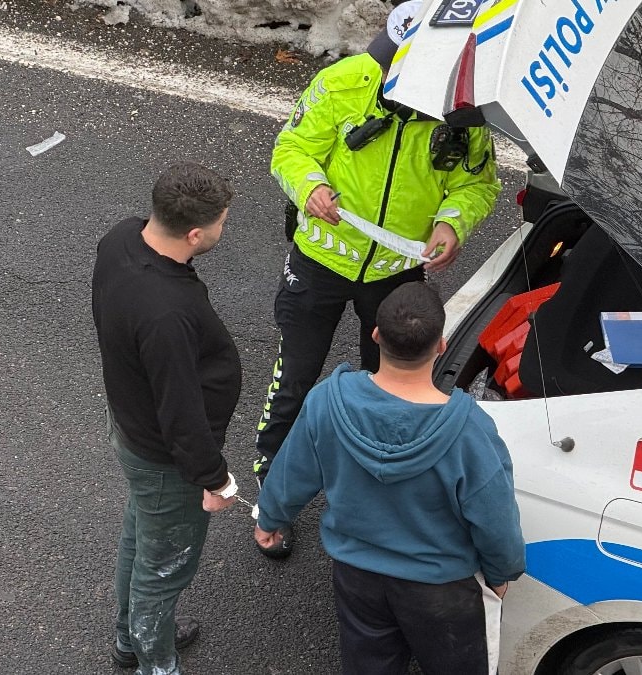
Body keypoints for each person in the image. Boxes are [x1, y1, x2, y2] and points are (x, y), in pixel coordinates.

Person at [253, 0, 502, 558]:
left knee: (392, 387)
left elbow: (478, 186)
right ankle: (271, 491)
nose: (388, 77)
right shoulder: (343, 81)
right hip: (320, 260)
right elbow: (291, 148)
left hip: (394, 273)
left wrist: (451, 223)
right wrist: (310, 184)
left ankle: (373, 489)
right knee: (294, 378)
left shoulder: (462, 112)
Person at [254, 282, 526, 675]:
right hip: (442, 588)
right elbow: (494, 517)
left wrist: (270, 519)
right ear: (441, 346)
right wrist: (503, 573)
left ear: (376, 335)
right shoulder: (470, 430)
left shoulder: (327, 401)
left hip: (358, 577)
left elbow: (292, 472)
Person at [92, 162, 243, 674]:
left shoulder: (121, 239)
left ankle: (129, 637)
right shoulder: (168, 312)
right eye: (223, 221)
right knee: (163, 569)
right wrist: (214, 478)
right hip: (165, 459)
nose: (225, 228)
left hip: (133, 430)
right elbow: (180, 412)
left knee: (141, 537)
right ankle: (157, 663)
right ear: (196, 233)